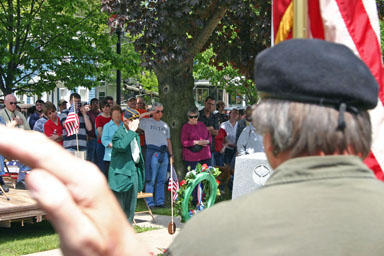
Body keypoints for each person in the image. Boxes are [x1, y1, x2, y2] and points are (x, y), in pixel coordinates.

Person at [1, 39, 382, 256]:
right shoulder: (119, 127)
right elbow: (132, 142)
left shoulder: (217, 237)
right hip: (130, 165)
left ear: (269, 135)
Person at [109, 108, 145, 224]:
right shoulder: (118, 134)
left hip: (132, 172)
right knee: (120, 209)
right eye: (133, 121)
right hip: (121, 175)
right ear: (125, 120)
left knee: (131, 209)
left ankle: (128, 234)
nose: (136, 124)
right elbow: (121, 146)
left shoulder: (134, 134)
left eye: (137, 121)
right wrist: (131, 132)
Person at [139, 102, 173, 208]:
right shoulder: (147, 122)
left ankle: (160, 201)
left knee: (162, 179)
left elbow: (168, 140)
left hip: (164, 153)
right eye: (157, 111)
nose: (160, 114)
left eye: (162, 111)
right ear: (153, 111)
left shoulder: (165, 125)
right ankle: (150, 202)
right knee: (151, 179)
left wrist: (171, 155)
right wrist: (147, 113)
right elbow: (133, 119)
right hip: (153, 152)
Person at [0, 94, 31, 189]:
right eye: (11, 103)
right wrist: (15, 123)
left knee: (31, 151)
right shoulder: (1, 114)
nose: (14, 105)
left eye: (15, 103)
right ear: (5, 103)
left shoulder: (19, 114)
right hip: (6, 145)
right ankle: (2, 180)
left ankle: (21, 179)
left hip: (20, 143)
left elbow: (28, 130)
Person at [198, 96, 219, 165]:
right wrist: (210, 128)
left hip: (210, 149)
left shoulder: (215, 117)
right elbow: (196, 131)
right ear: (205, 103)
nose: (210, 106)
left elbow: (216, 132)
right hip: (198, 149)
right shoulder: (198, 115)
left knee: (209, 172)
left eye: (212, 104)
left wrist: (203, 129)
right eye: (209, 103)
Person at [102, 105, 123, 175]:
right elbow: (104, 140)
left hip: (123, 157)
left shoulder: (125, 125)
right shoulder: (107, 126)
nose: (117, 116)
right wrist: (115, 145)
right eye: (115, 114)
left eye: (119, 113)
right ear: (111, 116)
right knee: (111, 178)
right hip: (110, 157)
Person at [95, 100, 111, 175]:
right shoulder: (99, 118)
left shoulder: (112, 118)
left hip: (111, 144)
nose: (105, 109)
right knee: (102, 165)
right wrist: (106, 140)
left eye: (107, 106)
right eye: (103, 107)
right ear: (101, 109)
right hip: (101, 143)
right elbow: (100, 131)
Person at [86, 98, 100, 164]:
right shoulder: (88, 114)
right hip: (91, 139)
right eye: (94, 103)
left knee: (99, 160)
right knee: (91, 160)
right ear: (90, 105)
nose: (95, 105)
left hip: (100, 140)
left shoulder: (101, 114)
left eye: (97, 103)